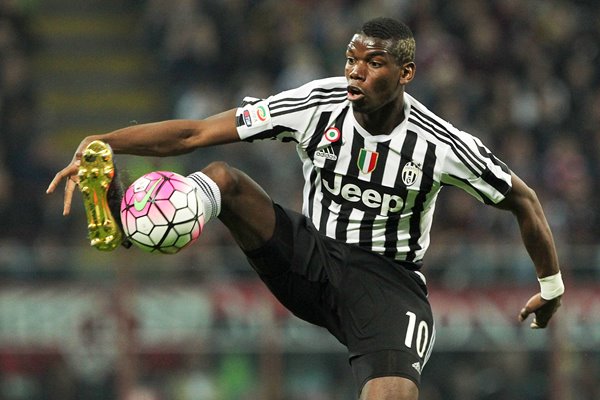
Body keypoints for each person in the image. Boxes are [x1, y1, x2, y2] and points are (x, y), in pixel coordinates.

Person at [46, 17, 564, 400]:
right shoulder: (317, 103)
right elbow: (197, 132)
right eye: (350, 60)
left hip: (387, 284)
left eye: (373, 63)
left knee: (392, 395)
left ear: (406, 73)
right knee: (224, 180)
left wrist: (552, 287)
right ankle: (130, 221)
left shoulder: (440, 144)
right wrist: (106, 140)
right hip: (309, 257)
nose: (355, 73)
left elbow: (524, 199)